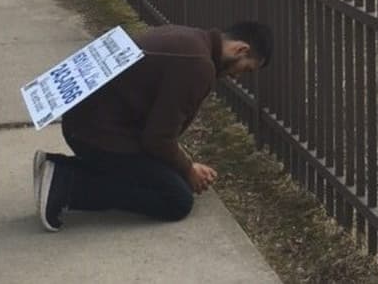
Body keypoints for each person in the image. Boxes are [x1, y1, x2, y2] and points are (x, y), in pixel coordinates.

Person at [33, 22, 273, 231]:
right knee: (176, 199)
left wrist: (183, 165)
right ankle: (67, 185)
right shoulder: (199, 66)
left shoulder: (190, 38)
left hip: (89, 124)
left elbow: (158, 134)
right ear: (241, 49)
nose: (239, 76)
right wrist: (188, 169)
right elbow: (157, 139)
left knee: (166, 174)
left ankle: (57, 168)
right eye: (246, 68)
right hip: (98, 136)